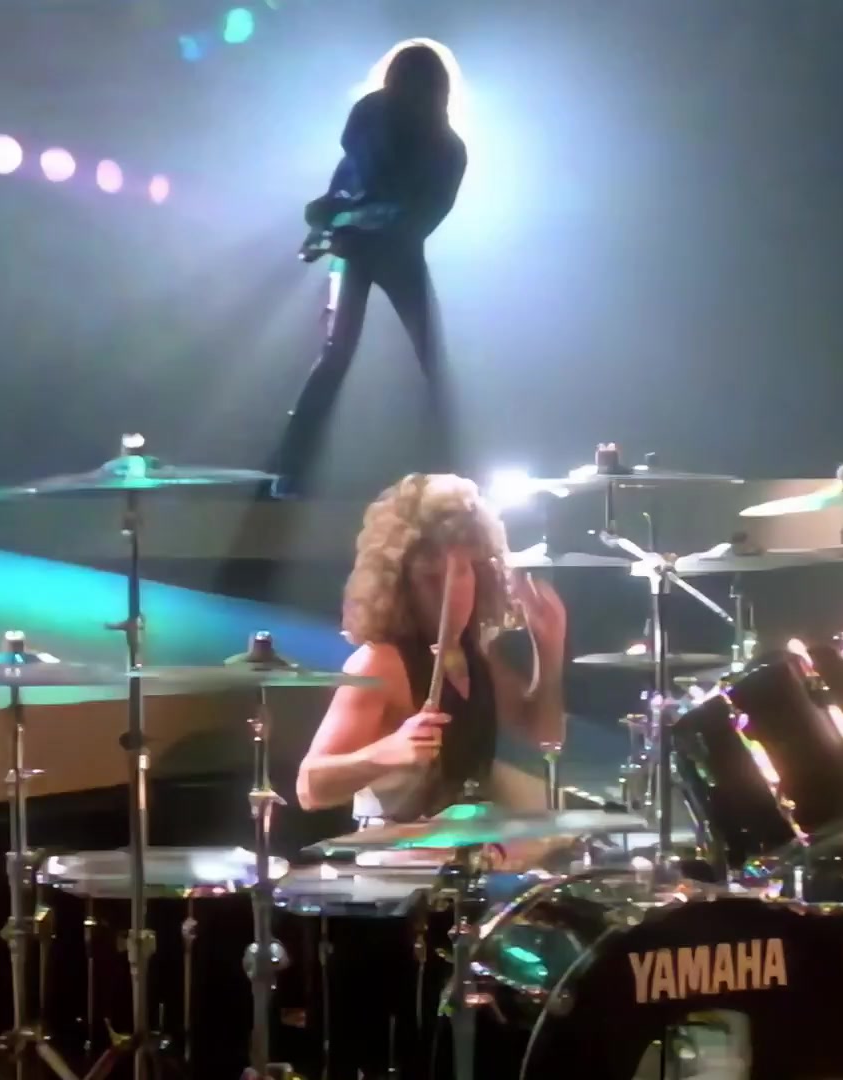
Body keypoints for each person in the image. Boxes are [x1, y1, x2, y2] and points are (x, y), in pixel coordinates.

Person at [296, 474, 566, 823]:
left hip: (465, 844)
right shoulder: (379, 663)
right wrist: (385, 753)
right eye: (430, 578)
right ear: (401, 586)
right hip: (392, 850)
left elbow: (545, 737)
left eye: (462, 573)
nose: (449, 592)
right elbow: (310, 787)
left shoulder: (475, 655)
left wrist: (549, 648)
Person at [268, 43, 469, 498]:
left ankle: (294, 469)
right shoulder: (393, 125)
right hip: (369, 249)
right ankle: (292, 468)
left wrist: (344, 221)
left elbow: (416, 218)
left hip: (383, 250)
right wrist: (331, 219)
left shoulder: (442, 148)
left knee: (386, 356)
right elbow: (350, 179)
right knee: (372, 356)